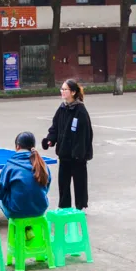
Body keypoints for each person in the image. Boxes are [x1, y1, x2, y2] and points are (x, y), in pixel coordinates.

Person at [43, 79, 93, 211]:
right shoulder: (62, 108)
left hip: (77, 155)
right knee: (63, 182)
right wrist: (50, 139)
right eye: (62, 89)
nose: (62, 91)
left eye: (65, 89)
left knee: (79, 182)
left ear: (73, 92)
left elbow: (85, 134)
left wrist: (79, 153)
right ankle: (64, 206)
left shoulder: (80, 110)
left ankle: (80, 206)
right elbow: (55, 127)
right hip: (64, 153)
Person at [0, 132, 51, 220]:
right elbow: (46, 188)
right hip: (40, 210)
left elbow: (0, 192)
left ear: (18, 147)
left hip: (16, 212)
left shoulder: (10, 165)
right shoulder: (43, 165)